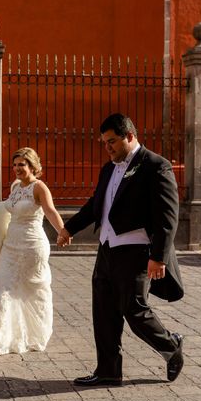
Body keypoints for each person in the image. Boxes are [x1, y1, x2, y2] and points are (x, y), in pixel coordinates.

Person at [57, 113, 184, 386]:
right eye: (104, 143)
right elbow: (95, 205)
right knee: (103, 311)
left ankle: (171, 345)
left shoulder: (155, 166)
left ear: (130, 136)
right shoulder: (108, 169)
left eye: (112, 141)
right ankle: (108, 371)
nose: (108, 147)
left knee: (134, 309)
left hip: (136, 252)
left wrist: (158, 257)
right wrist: (69, 229)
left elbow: (167, 216)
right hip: (106, 249)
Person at [0, 147, 65, 354]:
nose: (16, 168)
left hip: (32, 246)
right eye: (14, 165)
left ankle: (33, 334)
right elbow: (5, 207)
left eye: (21, 164)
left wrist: (63, 232)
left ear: (32, 166)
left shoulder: (39, 188)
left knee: (29, 290)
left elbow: (50, 211)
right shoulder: (15, 187)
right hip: (11, 246)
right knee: (0, 286)